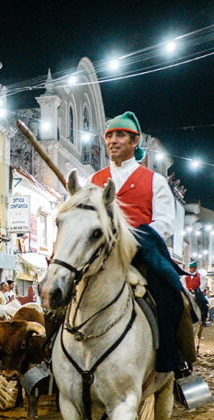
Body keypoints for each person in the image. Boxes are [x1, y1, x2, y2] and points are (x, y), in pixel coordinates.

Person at [87, 111, 188, 374]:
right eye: (109, 135)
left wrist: (133, 239)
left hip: (141, 255)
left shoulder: (154, 180)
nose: (112, 140)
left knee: (173, 297)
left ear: (135, 142)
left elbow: (165, 221)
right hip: (99, 257)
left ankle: (174, 363)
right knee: (60, 294)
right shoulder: (93, 181)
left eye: (120, 135)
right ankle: (50, 360)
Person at [184, 261, 208, 325]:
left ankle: (203, 319)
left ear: (195, 268)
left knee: (203, 304)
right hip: (188, 292)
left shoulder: (200, 276)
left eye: (191, 268)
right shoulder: (185, 276)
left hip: (197, 293)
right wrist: (186, 289)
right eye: (190, 268)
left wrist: (197, 290)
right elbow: (182, 284)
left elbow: (203, 284)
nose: (190, 269)